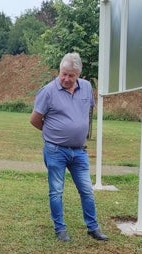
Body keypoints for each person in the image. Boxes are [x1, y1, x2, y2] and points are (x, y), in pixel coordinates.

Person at [29, 52, 108, 242]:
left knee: (87, 190)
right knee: (56, 191)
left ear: (78, 75)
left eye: (71, 75)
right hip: (55, 150)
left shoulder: (87, 87)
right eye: (63, 74)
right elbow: (35, 120)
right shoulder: (48, 91)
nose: (66, 78)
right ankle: (60, 229)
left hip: (79, 151)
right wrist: (53, 133)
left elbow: (87, 111)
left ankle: (93, 228)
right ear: (59, 71)